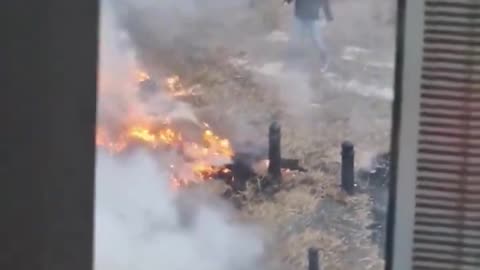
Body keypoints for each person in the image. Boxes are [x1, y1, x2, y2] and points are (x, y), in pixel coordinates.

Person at [284, 0, 333, 71]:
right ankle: (293, 63)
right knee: (295, 39)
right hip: (299, 16)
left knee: (317, 40)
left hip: (313, 18)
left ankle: (325, 60)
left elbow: (325, 2)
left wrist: (328, 18)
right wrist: (287, 2)